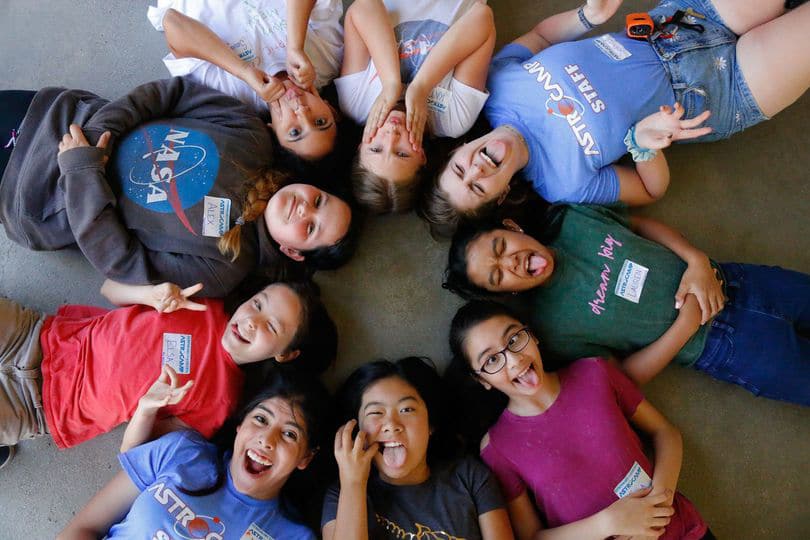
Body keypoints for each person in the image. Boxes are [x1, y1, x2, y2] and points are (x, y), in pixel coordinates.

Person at [420, 0, 810, 236]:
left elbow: (539, 38)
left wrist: (588, 16)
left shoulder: (496, 88)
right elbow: (651, 189)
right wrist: (642, 145)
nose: (475, 170)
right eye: (477, 189)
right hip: (720, 90)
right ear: (502, 194)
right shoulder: (562, 184)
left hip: (677, 23)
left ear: (459, 149)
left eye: (459, 171)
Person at [0, 78, 358, 298]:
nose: (304, 207)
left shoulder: (223, 269)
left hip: (30, 194)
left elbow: (120, 261)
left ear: (293, 252)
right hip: (54, 115)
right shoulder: (254, 138)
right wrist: (94, 137)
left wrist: (80, 168)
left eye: (310, 228)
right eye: (319, 200)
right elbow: (172, 92)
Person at [444, 204, 810, 405]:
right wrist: (686, 324)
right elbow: (624, 376)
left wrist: (695, 258)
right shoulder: (553, 330)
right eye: (497, 276)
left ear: (512, 227)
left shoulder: (573, 218)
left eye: (501, 247)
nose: (509, 262)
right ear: (505, 293)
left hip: (733, 279)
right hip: (721, 346)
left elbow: (640, 225)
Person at [0, 275, 337, 469]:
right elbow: (108, 289)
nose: (251, 320)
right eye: (258, 304)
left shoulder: (220, 402)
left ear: (284, 354)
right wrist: (149, 294)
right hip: (37, 334)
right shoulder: (202, 301)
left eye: (272, 327)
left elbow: (133, 455)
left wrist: (147, 407)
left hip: (41, 408)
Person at [447, 300, 712, 540]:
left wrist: (658, 506)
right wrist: (606, 524)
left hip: (683, 530)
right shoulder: (497, 448)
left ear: (532, 334)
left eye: (514, 339)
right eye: (492, 360)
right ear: (482, 379)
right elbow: (531, 537)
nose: (515, 360)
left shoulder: (593, 372)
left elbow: (665, 432)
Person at [57, 368, 330, 539]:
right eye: (260, 419)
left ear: (306, 457)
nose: (266, 440)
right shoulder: (180, 451)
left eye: (290, 434)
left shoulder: (292, 536)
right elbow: (86, 527)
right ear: (240, 425)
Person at [322, 357, 513, 539]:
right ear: (357, 430)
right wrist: (353, 483)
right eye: (375, 412)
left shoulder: (471, 478)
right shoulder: (341, 494)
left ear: (431, 424)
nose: (391, 424)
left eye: (406, 409)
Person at [337, 0, 495, 213]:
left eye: (376, 148)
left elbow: (364, 6)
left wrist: (391, 83)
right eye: (402, 153)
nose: (391, 136)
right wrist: (421, 87)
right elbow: (482, 18)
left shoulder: (356, 103)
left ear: (360, 146)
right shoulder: (451, 120)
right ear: (422, 156)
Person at [148, 0, 344, 161]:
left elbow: (172, 22)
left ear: (272, 130)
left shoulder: (234, 96)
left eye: (294, 132)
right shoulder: (326, 61)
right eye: (320, 121)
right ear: (331, 110)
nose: (301, 111)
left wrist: (243, 70)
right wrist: (295, 46)